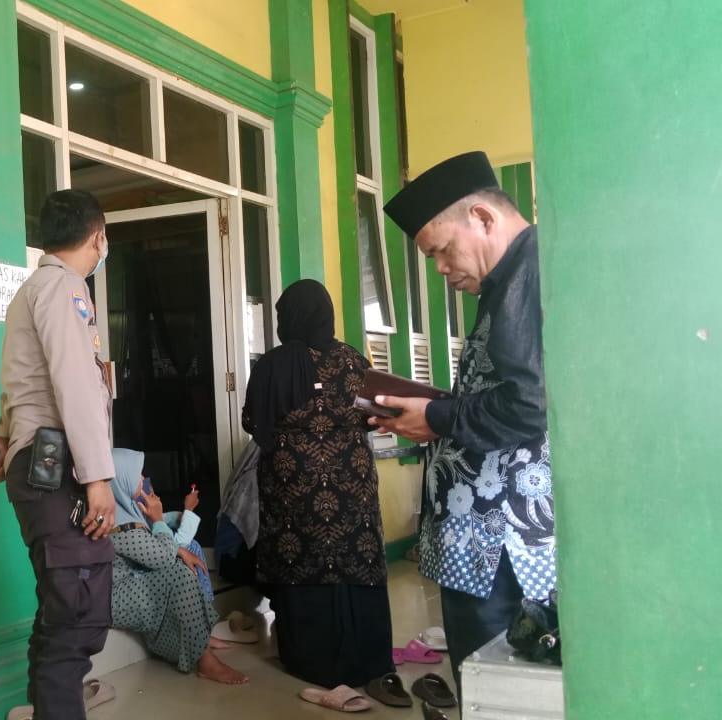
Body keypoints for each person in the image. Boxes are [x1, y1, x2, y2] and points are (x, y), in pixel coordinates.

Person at [375, 151, 555, 693]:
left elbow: (528, 404)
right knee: (489, 686)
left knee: (501, 690)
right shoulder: (508, 278)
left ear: (482, 218)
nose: (440, 268)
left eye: (442, 250)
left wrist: (437, 416)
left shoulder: (527, 273)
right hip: (485, 545)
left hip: (502, 545)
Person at [0, 189, 119, 720]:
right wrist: (98, 478)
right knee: (76, 612)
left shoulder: (31, 288)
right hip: (58, 467)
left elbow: (21, 378)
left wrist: (7, 437)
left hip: (38, 459)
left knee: (60, 609)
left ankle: (46, 709)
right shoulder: (65, 288)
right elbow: (75, 383)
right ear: (98, 236)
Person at [241, 279, 395, 690]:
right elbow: (376, 415)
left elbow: (252, 420)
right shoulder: (354, 360)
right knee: (354, 557)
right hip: (353, 484)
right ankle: (368, 659)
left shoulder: (274, 364)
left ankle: (313, 661)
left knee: (302, 558)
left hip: (293, 487)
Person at [107, 448, 248, 685]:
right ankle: (204, 659)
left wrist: (167, 527)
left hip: (129, 584)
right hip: (114, 598)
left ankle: (200, 639)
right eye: (137, 475)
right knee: (177, 573)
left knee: (185, 556)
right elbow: (163, 557)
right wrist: (158, 519)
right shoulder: (118, 526)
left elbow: (156, 541)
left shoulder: (126, 513)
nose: (143, 480)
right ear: (121, 481)